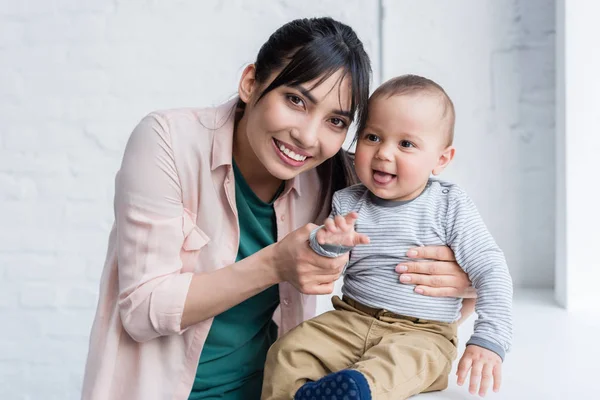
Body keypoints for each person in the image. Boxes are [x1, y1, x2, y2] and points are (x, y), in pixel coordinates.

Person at [81, 18, 475, 400]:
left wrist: (464, 279)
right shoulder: (167, 142)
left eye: (335, 121)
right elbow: (142, 309)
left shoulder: (339, 173)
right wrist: (275, 264)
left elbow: (441, 221)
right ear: (251, 82)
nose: (307, 137)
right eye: (296, 100)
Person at [261, 75, 513, 400]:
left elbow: (490, 269)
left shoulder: (449, 205)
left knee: (393, 367)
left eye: (406, 144)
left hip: (422, 332)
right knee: (288, 351)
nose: (383, 153)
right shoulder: (348, 202)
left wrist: (489, 339)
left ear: (441, 160)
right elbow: (327, 269)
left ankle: (352, 392)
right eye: (372, 137)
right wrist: (326, 245)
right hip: (350, 319)